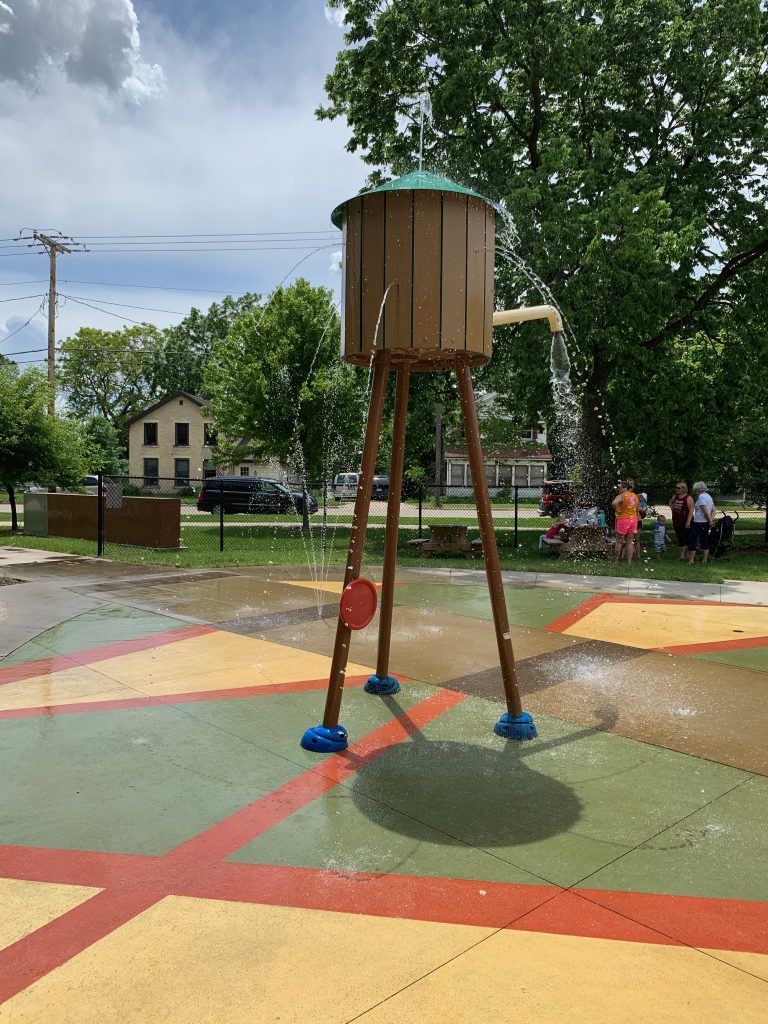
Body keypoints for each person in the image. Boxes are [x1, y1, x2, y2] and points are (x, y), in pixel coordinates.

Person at [612, 480, 640, 564]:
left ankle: (616, 560)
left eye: (619, 488)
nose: (618, 489)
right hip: (633, 520)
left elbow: (614, 503)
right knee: (630, 541)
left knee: (619, 541)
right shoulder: (634, 496)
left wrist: (617, 509)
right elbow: (637, 509)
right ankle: (629, 561)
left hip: (623, 519)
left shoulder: (622, 495)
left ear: (625, 488)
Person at [688, 481, 716, 564]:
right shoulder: (709, 496)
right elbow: (714, 510)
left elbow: (705, 512)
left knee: (692, 539)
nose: (695, 492)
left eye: (695, 490)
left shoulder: (701, 497)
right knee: (704, 540)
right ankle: (704, 560)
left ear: (698, 489)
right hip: (705, 523)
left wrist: (709, 520)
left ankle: (691, 560)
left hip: (699, 522)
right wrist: (710, 521)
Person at [669, 481, 695, 560]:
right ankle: (681, 556)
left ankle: (688, 555)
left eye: (678, 488)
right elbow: (670, 502)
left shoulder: (688, 498)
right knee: (680, 538)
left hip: (686, 521)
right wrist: (673, 510)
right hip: (677, 521)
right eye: (676, 487)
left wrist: (688, 522)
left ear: (683, 489)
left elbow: (691, 510)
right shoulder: (675, 497)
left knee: (687, 538)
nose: (676, 489)